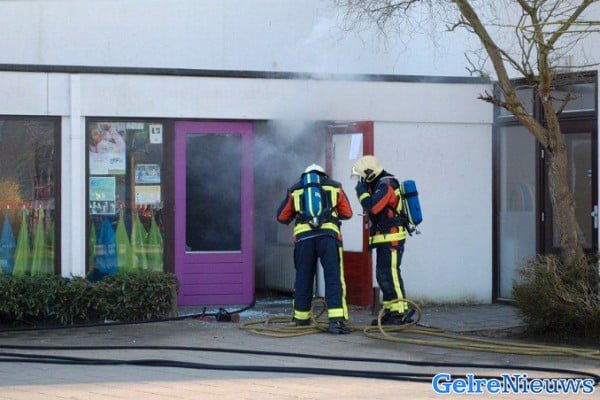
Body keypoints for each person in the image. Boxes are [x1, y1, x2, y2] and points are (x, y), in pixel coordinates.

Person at [277, 164, 353, 334]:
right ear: (323, 175)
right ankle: (336, 321)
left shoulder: (295, 189)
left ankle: (301, 318)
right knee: (333, 278)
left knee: (303, 278)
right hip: (329, 237)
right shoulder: (335, 186)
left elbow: (282, 216)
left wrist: (299, 213)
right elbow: (347, 213)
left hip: (303, 239)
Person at [352, 155, 413, 325]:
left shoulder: (386, 185)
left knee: (390, 274)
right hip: (385, 238)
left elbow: (373, 206)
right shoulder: (379, 184)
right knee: (383, 275)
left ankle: (400, 313)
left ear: (369, 174)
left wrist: (361, 191)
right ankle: (391, 311)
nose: (360, 180)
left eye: (362, 176)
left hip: (392, 238)